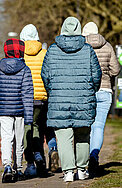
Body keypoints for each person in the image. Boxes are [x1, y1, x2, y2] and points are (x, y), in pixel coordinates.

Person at [41, 17, 102, 182]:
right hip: (83, 100)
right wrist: (90, 90)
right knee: (83, 134)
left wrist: (53, 91)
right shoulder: (88, 50)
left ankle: (68, 171)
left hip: (59, 100)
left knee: (63, 135)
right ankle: (82, 169)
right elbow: (97, 76)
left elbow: (45, 76)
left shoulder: (52, 50)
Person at [0, 38, 34, 183]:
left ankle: (7, 166)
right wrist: (29, 116)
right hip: (20, 110)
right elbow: (27, 94)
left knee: (6, 138)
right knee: (19, 140)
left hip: (4, 111)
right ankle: (18, 168)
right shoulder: (25, 69)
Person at [20, 24, 59, 177]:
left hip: (27, 98)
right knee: (45, 128)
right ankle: (51, 151)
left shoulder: (21, 55)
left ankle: (34, 161)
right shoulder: (45, 53)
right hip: (44, 97)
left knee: (30, 130)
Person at [82, 22, 121, 177]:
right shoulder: (107, 46)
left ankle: (83, 160)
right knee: (98, 127)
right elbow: (116, 69)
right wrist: (106, 73)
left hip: (87, 91)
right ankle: (94, 156)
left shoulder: (82, 47)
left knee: (86, 127)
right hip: (104, 90)